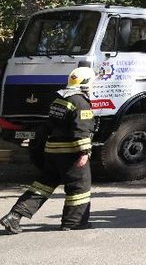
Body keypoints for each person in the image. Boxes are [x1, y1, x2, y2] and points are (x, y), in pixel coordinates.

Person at [1, 67, 95, 234]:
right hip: (70, 154)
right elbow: (81, 130)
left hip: (52, 151)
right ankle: (73, 222)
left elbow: (49, 125)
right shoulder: (80, 103)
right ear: (86, 83)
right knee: (79, 187)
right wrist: (84, 153)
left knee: (44, 184)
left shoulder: (59, 99)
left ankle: (15, 215)